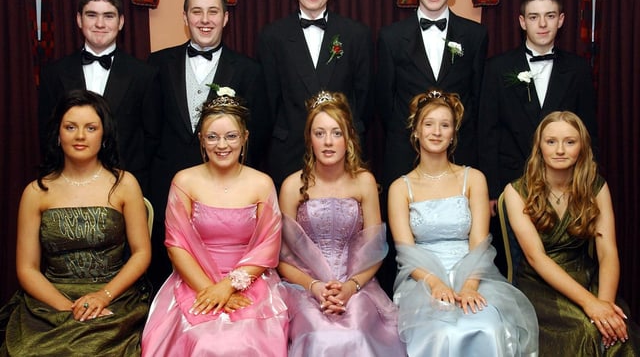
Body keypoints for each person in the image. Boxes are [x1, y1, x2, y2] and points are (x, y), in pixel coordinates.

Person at [0, 89, 152, 356]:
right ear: (58, 135)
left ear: (103, 134)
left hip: (114, 295)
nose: (80, 136)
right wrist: (68, 308)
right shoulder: (36, 192)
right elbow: (27, 268)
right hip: (50, 300)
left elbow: (141, 253)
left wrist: (102, 297)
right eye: (71, 127)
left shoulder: (124, 184)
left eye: (90, 128)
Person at [388, 89, 538, 357]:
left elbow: (480, 242)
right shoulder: (400, 187)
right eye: (429, 124)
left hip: (472, 272)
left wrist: (469, 285)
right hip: (422, 278)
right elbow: (405, 250)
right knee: (441, 332)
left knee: (487, 327)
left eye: (445, 125)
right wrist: (435, 284)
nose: (436, 131)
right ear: (416, 131)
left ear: (453, 133)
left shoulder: (474, 179)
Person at [141, 88, 288, 357]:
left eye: (231, 136)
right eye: (213, 137)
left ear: (245, 138)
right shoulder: (184, 181)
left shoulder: (261, 183)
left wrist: (228, 287)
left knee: (244, 340)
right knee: (205, 340)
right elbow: (176, 245)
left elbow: (268, 246)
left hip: (250, 282)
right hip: (193, 279)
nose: (222, 145)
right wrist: (209, 290)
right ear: (201, 140)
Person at [147, 0, 270, 290]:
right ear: (185, 17)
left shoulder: (249, 70)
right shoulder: (156, 64)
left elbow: (260, 131)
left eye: (213, 11)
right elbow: (149, 129)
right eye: (196, 11)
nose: (205, 19)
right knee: (172, 278)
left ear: (225, 18)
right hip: (170, 191)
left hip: (228, 201)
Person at [277, 91, 405, 356]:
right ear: (308, 139)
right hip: (304, 287)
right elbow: (281, 257)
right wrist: (314, 287)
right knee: (319, 336)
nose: (328, 142)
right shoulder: (292, 186)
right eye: (319, 133)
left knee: (357, 331)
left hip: (357, 285)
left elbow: (376, 250)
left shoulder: (364, 182)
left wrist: (350, 287)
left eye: (336, 133)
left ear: (349, 139)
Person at [504, 111, 639, 355]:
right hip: (540, 283)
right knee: (584, 331)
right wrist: (590, 305)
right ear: (539, 147)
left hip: (586, 276)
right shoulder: (516, 191)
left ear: (582, 147)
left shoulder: (596, 186)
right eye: (551, 141)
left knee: (617, 333)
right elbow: (536, 258)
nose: (560, 150)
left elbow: (608, 252)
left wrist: (605, 306)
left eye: (570, 142)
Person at [257, 0, 373, 189]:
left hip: (341, 151)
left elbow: (364, 98)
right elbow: (268, 101)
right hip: (289, 151)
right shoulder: (272, 36)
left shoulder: (356, 34)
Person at [377, 0, 488, 190]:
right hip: (405, 154)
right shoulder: (391, 37)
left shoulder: (475, 35)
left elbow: (478, 98)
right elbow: (385, 101)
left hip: (459, 152)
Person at [479, 0, 598, 208]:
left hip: (566, 186)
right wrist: (492, 191)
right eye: (534, 17)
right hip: (511, 184)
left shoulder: (578, 69)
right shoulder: (497, 68)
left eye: (550, 16)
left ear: (560, 20)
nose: (542, 24)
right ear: (523, 22)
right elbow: (487, 133)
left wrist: (587, 184)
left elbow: (588, 132)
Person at [38, 0, 161, 194]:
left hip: (124, 185)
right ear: (79, 20)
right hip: (67, 184)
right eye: (92, 15)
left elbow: (152, 137)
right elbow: (47, 133)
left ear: (121, 22)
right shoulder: (54, 72)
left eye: (108, 16)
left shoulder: (145, 74)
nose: (100, 24)